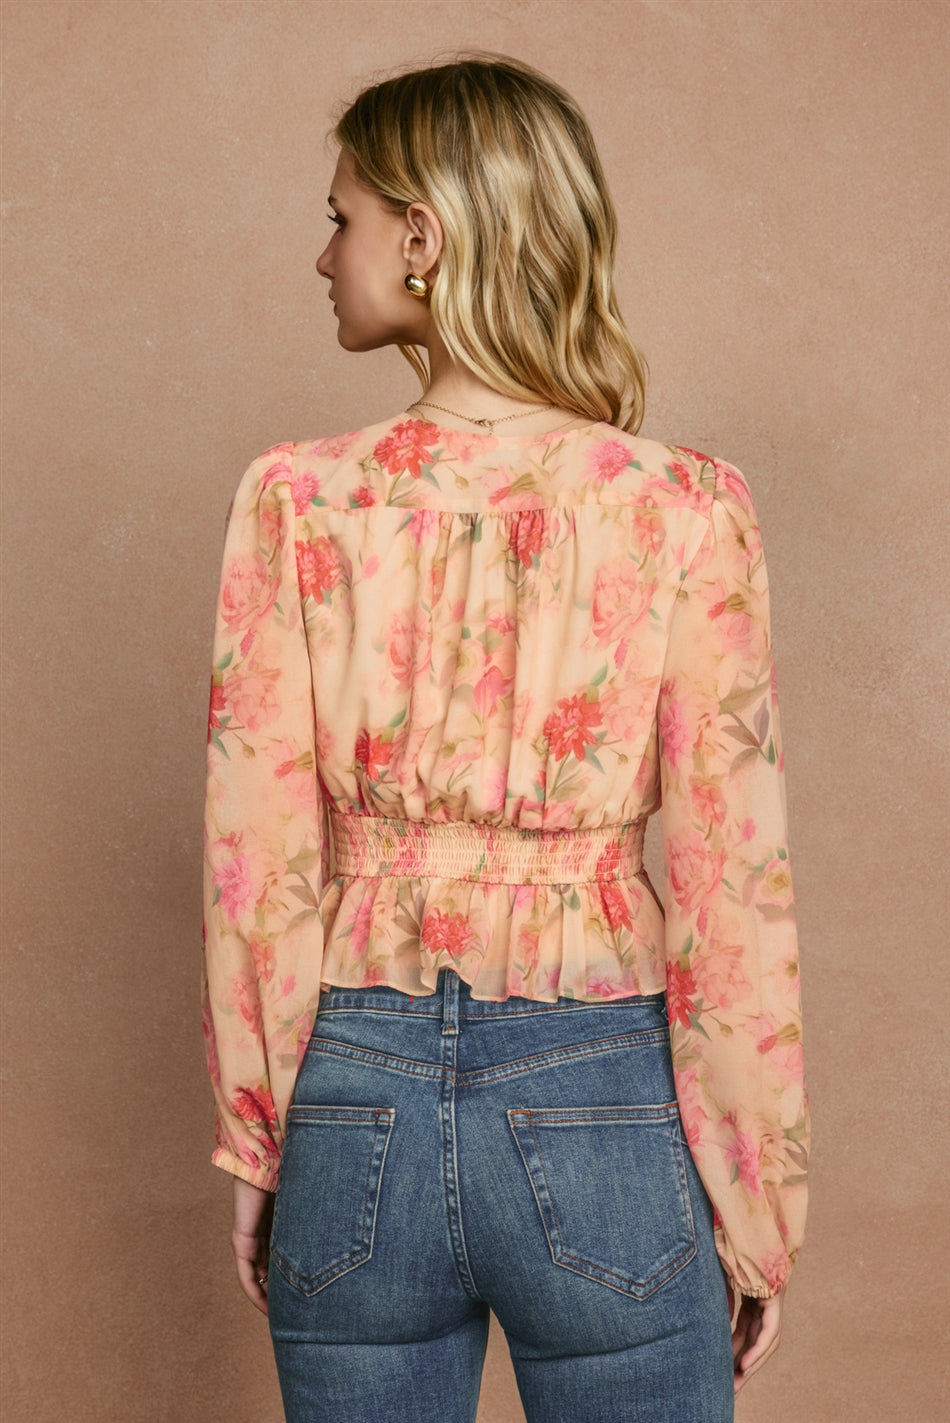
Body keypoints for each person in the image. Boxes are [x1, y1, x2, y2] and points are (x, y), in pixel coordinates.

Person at [201, 52, 808, 1423]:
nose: (323, 252)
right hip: (600, 1088)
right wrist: (752, 1189)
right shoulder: (682, 507)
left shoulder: (298, 500)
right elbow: (731, 876)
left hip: (351, 1094)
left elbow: (257, 858)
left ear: (420, 237)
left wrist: (257, 1141)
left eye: (342, 214)